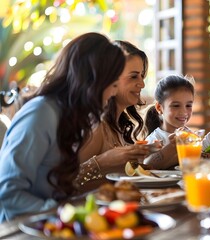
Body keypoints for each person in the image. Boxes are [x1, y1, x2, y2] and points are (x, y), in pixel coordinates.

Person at [0, 32, 125, 222]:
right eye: (113, 84)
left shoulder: (69, 116)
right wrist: (64, 214)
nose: (115, 91)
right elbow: (9, 192)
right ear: (92, 81)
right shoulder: (40, 114)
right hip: (19, 230)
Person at [76, 40, 158, 193]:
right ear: (110, 78)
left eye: (142, 76)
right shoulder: (97, 127)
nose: (142, 84)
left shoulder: (120, 126)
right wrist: (100, 162)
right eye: (134, 77)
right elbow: (68, 183)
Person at [142, 75, 195, 169]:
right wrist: (172, 146)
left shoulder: (191, 136)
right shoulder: (154, 139)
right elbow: (145, 167)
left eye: (188, 105)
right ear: (159, 108)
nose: (184, 112)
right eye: (175, 106)